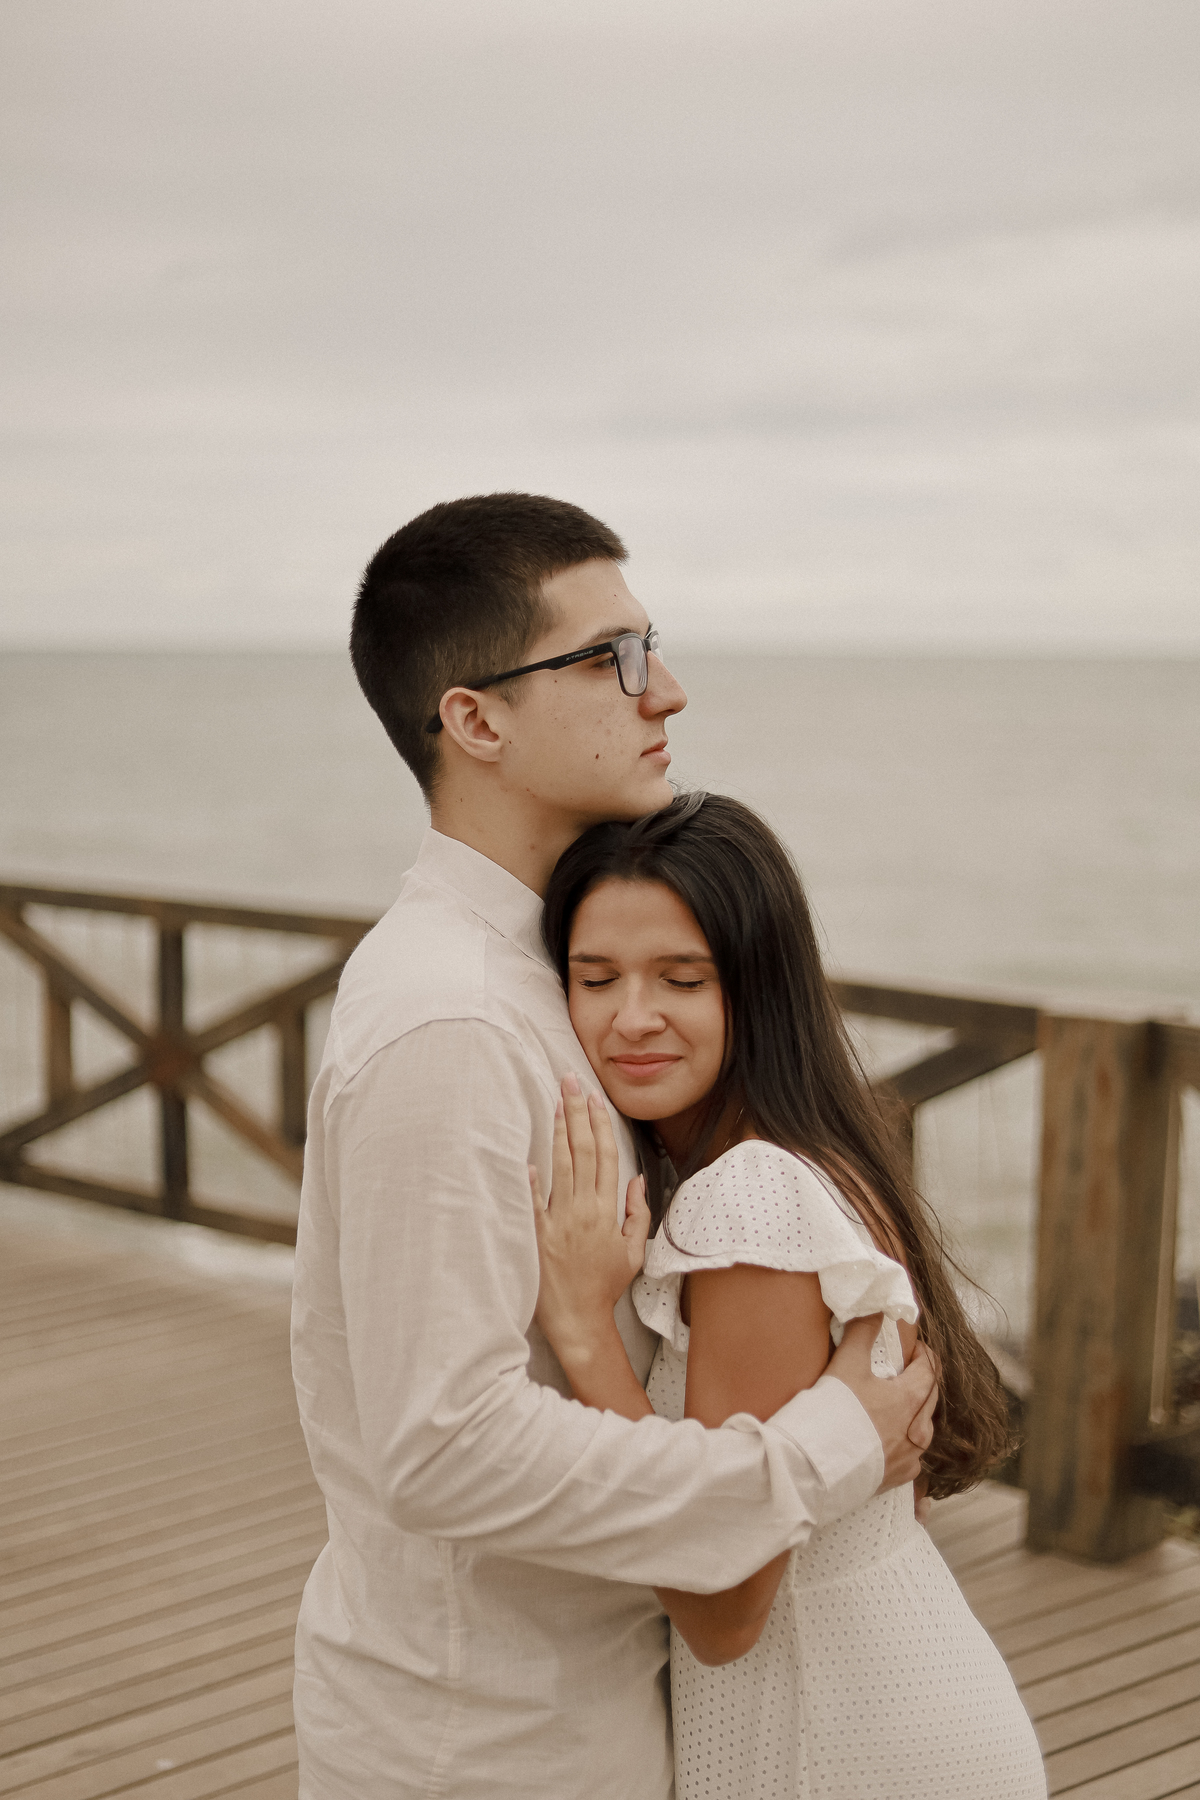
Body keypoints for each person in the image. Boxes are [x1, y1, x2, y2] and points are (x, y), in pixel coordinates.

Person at [290, 493, 939, 1800]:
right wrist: (820, 1452)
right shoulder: (452, 1020)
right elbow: (442, 1445)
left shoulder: (550, 972)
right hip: (483, 1744)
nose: (668, 691)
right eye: (616, 658)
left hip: (585, 1702)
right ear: (476, 721)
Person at [530, 790, 1048, 1799]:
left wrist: (587, 1335)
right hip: (906, 1692)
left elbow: (723, 1608)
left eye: (683, 979)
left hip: (842, 1742)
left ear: (758, 988)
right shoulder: (827, 1156)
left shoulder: (749, 1201)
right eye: (594, 979)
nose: (631, 1018)